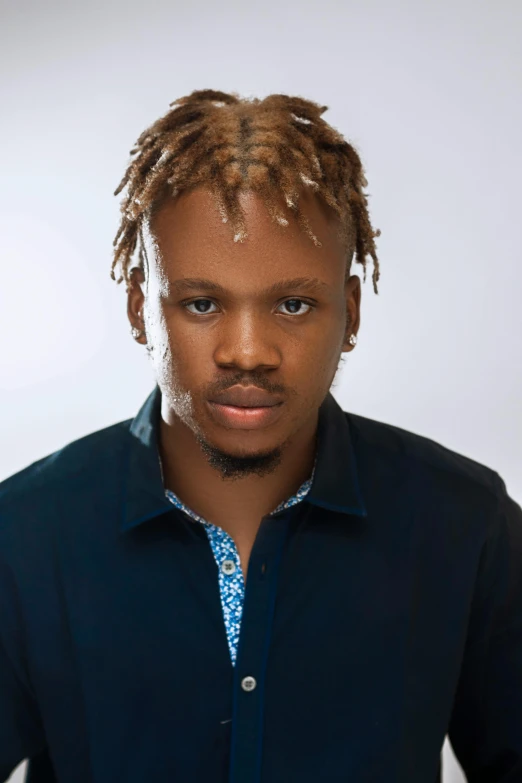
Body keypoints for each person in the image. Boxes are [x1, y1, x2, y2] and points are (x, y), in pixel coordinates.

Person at [0, 89, 520, 783]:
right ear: (138, 309)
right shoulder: (25, 534)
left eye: (294, 303)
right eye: (203, 303)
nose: (248, 350)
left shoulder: (467, 523)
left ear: (351, 313)